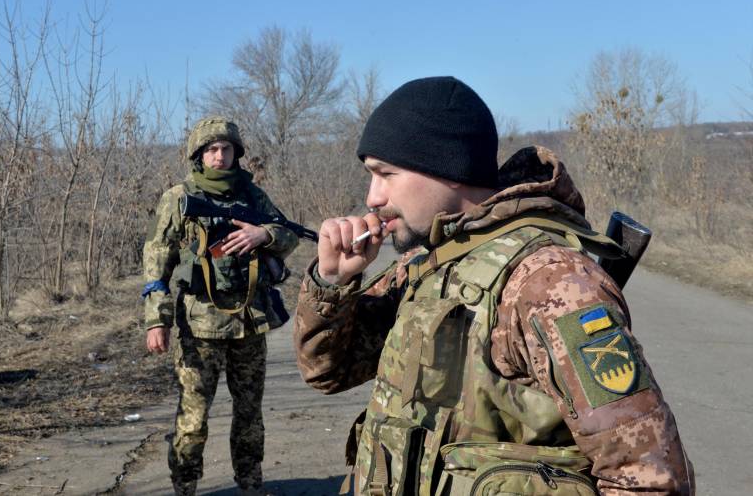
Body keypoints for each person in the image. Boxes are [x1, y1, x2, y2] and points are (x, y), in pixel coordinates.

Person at [294, 77, 694, 495]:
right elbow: (327, 371)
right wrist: (333, 283)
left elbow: (651, 477)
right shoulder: (429, 264)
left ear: (445, 167)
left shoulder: (548, 281)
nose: (372, 197)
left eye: (385, 174)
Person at [143, 117, 299, 496]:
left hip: (248, 322)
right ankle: (185, 486)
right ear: (199, 154)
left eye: (226, 148)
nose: (219, 155)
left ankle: (250, 483)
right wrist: (156, 321)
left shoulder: (251, 195)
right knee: (193, 419)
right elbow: (156, 261)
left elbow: (288, 232)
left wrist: (264, 234)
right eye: (211, 149)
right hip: (200, 327)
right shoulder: (178, 198)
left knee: (249, 416)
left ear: (236, 153)